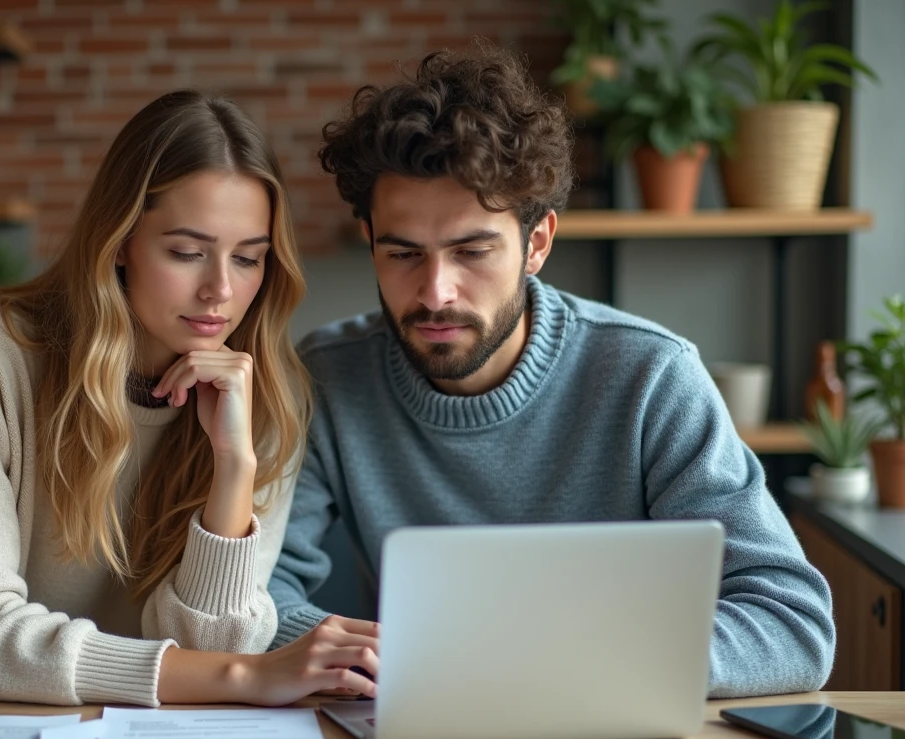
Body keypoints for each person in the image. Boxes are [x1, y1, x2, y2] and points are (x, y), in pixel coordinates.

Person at [268, 47, 836, 698]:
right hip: (424, 733)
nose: (434, 292)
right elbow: (258, 594)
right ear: (370, 240)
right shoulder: (327, 379)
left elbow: (792, 624)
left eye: (472, 251)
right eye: (402, 254)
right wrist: (357, 655)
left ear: (537, 243)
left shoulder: (651, 377)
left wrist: (577, 668)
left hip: (617, 736)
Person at [0, 90, 379, 707]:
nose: (220, 288)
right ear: (119, 244)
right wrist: (244, 679)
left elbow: (210, 646)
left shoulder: (264, 397)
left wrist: (233, 471)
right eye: (186, 253)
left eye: (248, 259)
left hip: (138, 727)